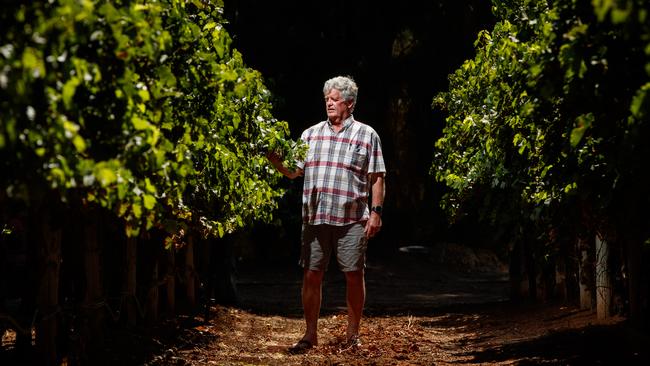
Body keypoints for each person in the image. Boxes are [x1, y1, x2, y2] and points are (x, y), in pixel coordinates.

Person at [267, 75, 386, 353]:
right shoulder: (310, 134)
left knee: (354, 274)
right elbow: (294, 171)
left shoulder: (367, 135)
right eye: (326, 100)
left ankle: (353, 334)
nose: (329, 104)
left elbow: (377, 177)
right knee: (311, 274)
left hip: (353, 218)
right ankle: (310, 334)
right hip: (316, 216)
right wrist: (275, 161)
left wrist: (377, 212)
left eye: (334, 99)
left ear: (350, 104)